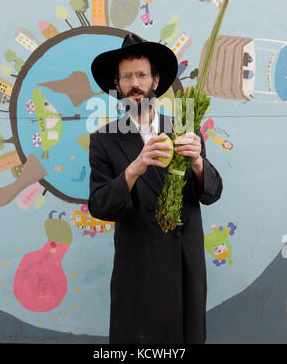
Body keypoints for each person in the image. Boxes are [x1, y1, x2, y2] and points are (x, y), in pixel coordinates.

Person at [88, 32, 223, 344]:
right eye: (126, 76)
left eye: (141, 75)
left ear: (155, 81)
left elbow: (212, 193)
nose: (134, 84)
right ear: (117, 85)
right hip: (138, 268)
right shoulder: (103, 140)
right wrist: (135, 167)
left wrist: (198, 161)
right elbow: (99, 205)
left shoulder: (185, 127)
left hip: (183, 265)